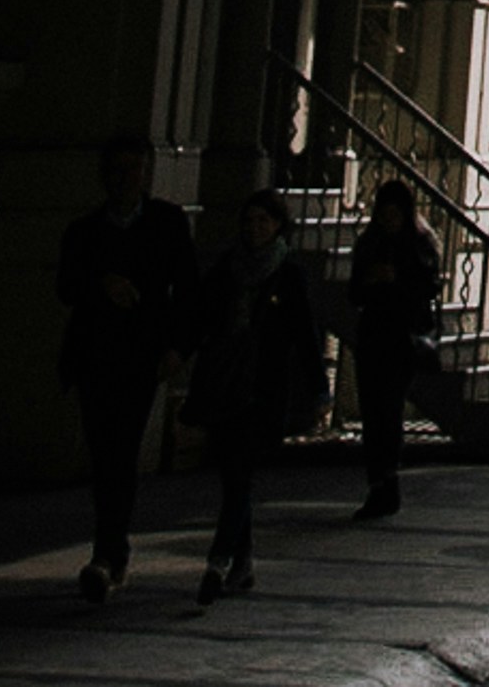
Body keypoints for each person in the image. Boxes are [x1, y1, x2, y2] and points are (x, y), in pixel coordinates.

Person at [51, 136, 192, 602]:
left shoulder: (166, 224)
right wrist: (101, 285)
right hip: (96, 355)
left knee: (122, 450)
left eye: (134, 169)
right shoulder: (85, 231)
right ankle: (110, 548)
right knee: (104, 451)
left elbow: (187, 288)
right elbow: (66, 286)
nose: (126, 179)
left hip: (140, 356)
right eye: (118, 169)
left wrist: (177, 347)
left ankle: (109, 552)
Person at [183, 191, 332, 602]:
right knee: (234, 476)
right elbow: (202, 319)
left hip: (263, 387)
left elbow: (305, 334)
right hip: (226, 384)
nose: (255, 229)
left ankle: (218, 560)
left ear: (278, 226)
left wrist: (319, 387)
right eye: (249, 221)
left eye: (263, 221)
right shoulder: (227, 268)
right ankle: (243, 560)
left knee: (241, 473)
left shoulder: (288, 273)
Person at [347, 175, 445, 523]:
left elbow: (428, 288)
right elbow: (354, 293)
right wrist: (371, 280)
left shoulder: (419, 244)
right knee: (372, 413)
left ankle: (387, 481)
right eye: (384, 214)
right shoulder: (369, 244)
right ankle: (379, 481)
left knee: (388, 412)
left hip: (402, 339)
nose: (389, 221)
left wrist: (397, 279)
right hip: (373, 336)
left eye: (395, 215)